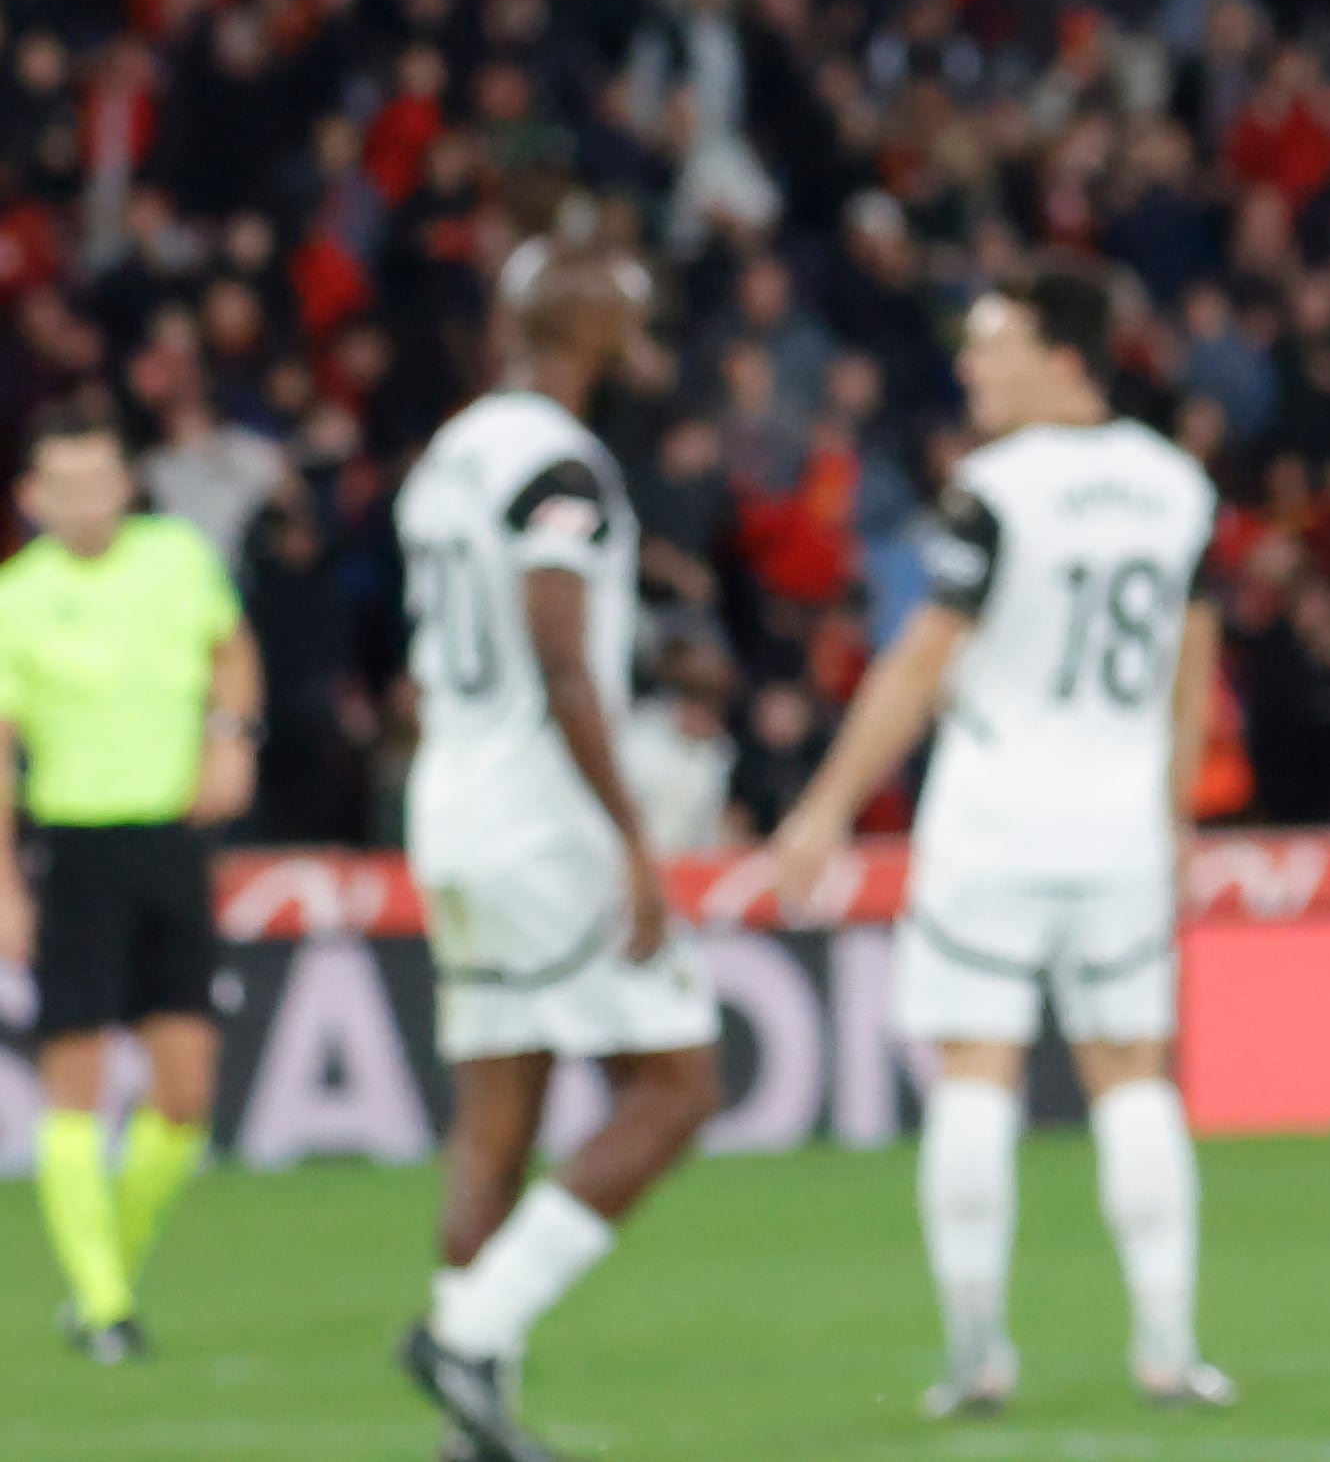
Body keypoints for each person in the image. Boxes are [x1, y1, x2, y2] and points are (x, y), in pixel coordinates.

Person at [763, 259, 1230, 1416]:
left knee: (977, 1071)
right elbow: (1193, 660)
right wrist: (1175, 810)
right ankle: (1169, 1347)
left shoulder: (995, 488)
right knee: (1132, 1076)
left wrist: (824, 805)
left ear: (1062, 358)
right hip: (1119, 823)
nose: (971, 367)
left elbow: (921, 658)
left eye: (992, 344)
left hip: (993, 818)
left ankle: (977, 1352)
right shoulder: (1177, 487)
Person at [392, 236, 729, 1462]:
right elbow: (560, 653)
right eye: (631, 304)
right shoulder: (558, 462)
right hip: (540, 818)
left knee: (496, 1115)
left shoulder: (449, 452)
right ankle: (472, 1332)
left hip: (453, 806)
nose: (645, 325)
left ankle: (470, 1424)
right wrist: (635, 840)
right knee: (680, 1085)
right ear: (586, 320)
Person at [0, 404, 260, 1364]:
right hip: (73, 848)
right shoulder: (17, 598)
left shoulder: (175, 558)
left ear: (125, 483)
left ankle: (108, 1264)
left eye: (99, 478)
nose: (85, 499)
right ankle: (104, 1305)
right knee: (77, 1077)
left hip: (170, 843)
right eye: (63, 484)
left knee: (185, 1092)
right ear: (33, 498)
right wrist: (4, 884)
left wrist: (230, 741)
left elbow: (232, 651)